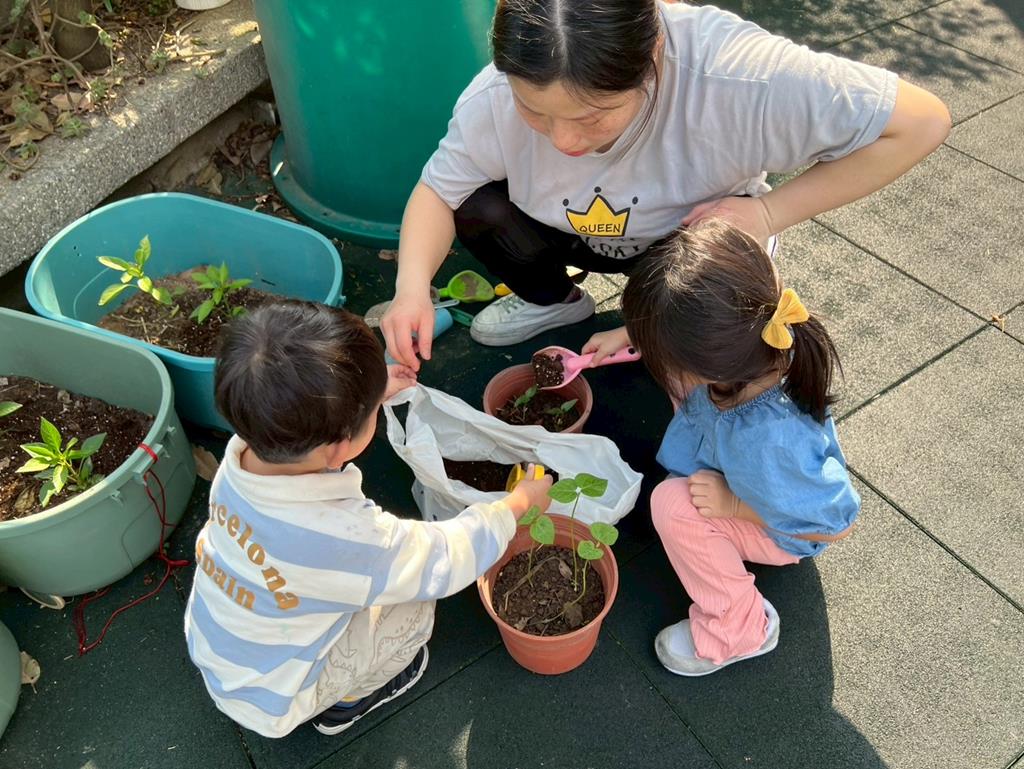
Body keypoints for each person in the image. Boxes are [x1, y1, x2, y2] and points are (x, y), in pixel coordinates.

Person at [381, 0, 949, 367]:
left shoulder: (737, 75)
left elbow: (921, 122)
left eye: (593, 116)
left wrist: (768, 214)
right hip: (572, 230)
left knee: (706, 347)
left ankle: (659, 324)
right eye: (534, 111)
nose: (565, 141)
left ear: (652, 56)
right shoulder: (491, 97)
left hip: (688, 239)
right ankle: (555, 302)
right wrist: (411, 290)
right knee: (474, 205)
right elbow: (437, 192)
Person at [183, 302, 552, 737]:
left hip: (225, 650)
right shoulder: (339, 538)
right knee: (413, 603)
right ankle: (345, 704)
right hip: (280, 693)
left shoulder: (244, 457)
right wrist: (515, 506)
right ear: (340, 445)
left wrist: (367, 395)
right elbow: (443, 558)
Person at [609, 219, 860, 675]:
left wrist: (735, 506)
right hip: (747, 475)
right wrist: (632, 336)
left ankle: (740, 628)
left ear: (709, 366)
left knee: (671, 505)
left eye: (664, 354)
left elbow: (834, 526)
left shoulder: (768, 441)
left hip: (779, 528)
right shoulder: (758, 342)